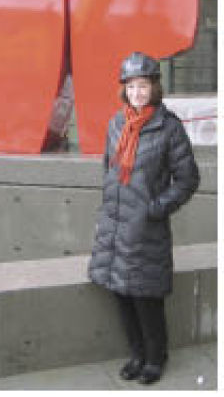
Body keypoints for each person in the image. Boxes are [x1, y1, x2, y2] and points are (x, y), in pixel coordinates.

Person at [88, 51, 200, 385]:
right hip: (115, 224)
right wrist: (109, 209)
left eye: (144, 85)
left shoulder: (169, 128)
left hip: (146, 228)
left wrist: (155, 208)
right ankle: (136, 354)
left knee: (145, 298)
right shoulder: (116, 123)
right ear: (125, 89)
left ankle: (155, 357)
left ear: (154, 88)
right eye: (132, 86)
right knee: (120, 294)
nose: (138, 92)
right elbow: (109, 167)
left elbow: (188, 180)